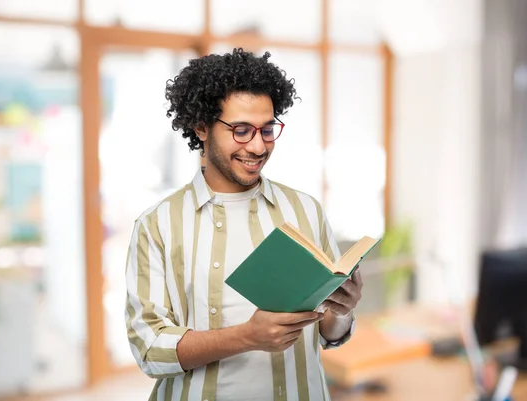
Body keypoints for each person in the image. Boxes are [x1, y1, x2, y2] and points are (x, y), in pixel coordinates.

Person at [125, 48, 363, 401]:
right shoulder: (157, 225)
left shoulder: (305, 210)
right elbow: (149, 348)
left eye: (267, 130)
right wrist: (246, 337)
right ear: (201, 126)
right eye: (241, 130)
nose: (257, 146)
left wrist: (341, 311)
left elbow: (328, 333)